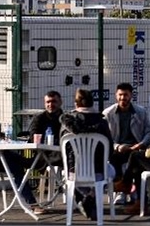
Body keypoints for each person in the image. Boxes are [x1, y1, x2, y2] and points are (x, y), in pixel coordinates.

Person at [59, 89, 114, 221]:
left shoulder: (67, 122)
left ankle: (85, 198)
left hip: (73, 173)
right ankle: (91, 196)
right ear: (92, 103)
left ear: (76, 104)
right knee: (112, 171)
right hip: (98, 173)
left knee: (68, 176)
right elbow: (110, 149)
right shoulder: (102, 122)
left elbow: (63, 150)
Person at [103, 83, 150, 204]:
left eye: (125, 95)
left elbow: (149, 132)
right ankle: (122, 191)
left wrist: (141, 144)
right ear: (116, 96)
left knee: (136, 158)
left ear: (131, 95)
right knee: (114, 157)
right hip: (118, 149)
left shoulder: (141, 112)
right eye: (120, 95)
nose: (122, 98)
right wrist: (117, 146)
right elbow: (106, 137)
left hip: (136, 147)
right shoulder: (108, 114)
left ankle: (135, 191)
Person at [27, 90, 64, 169]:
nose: (50, 104)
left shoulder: (65, 119)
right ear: (45, 103)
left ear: (60, 102)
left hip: (60, 156)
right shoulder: (39, 118)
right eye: (48, 102)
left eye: (54, 101)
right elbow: (33, 136)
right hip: (41, 156)